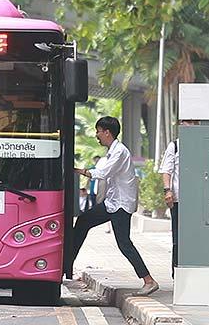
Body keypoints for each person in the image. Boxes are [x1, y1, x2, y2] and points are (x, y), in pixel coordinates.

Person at [64, 116, 159, 296]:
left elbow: (104, 173)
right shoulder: (112, 151)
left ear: (107, 132)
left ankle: (149, 280)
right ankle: (66, 266)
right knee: (83, 221)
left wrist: (80, 171)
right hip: (112, 203)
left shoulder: (120, 152)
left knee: (124, 243)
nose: (96, 135)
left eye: (98, 131)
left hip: (121, 205)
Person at [157, 119, 197, 276]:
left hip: (198, 200)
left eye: (194, 122)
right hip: (180, 200)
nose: (191, 125)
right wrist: (167, 191)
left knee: (196, 237)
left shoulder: (203, 144)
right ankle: (178, 273)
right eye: (187, 122)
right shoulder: (175, 146)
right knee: (178, 238)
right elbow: (166, 170)